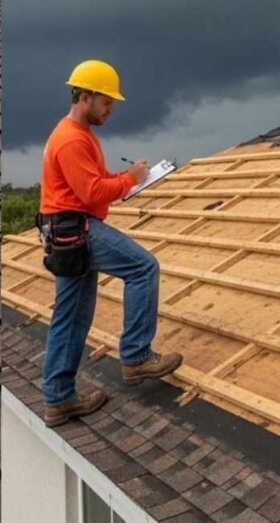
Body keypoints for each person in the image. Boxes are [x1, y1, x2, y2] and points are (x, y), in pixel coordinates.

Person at [38, 60, 183, 427]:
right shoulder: (71, 139)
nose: (111, 108)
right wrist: (129, 179)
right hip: (75, 227)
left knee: (71, 317)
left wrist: (129, 178)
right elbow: (90, 192)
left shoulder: (79, 135)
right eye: (106, 102)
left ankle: (59, 399)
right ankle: (135, 356)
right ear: (84, 97)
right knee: (143, 267)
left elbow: (97, 179)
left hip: (65, 231)